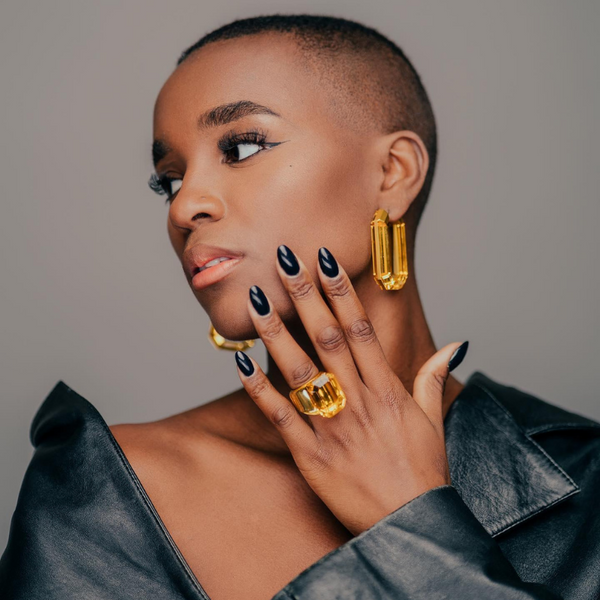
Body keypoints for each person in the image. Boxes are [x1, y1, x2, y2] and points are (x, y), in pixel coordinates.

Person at [1, 13, 599, 600]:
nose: (184, 209)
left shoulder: (586, 479)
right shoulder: (111, 491)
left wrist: (412, 518)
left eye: (240, 147)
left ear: (392, 173)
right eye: (170, 180)